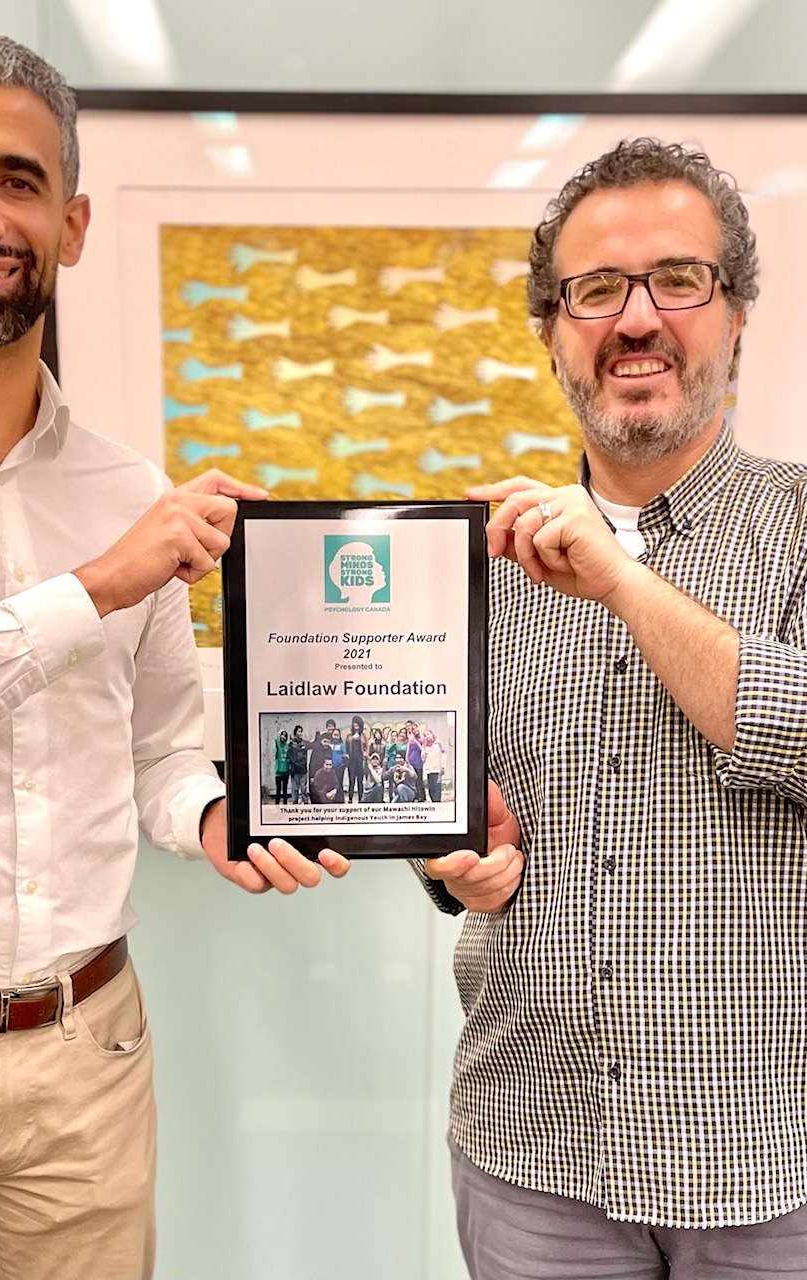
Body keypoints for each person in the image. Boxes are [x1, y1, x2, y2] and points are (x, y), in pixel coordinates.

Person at [0, 30, 348, 1280]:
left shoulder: (130, 486)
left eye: (19, 181)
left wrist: (220, 815)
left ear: (70, 227)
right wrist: (94, 585)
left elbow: (162, 748)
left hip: (90, 1049)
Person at [420, 137, 807, 1278]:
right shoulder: (479, 557)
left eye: (677, 279)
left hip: (765, 1167)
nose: (636, 318)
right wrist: (453, 855)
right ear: (553, 333)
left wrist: (625, 580)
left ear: (737, 312)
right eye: (596, 291)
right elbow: (443, 795)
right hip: (531, 1153)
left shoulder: (799, 525)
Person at [345, 713, 368, 803]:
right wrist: (346, 755)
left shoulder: (363, 734)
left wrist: (366, 754)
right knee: (351, 779)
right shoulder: (349, 734)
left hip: (360, 759)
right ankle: (350, 798)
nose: (356, 725)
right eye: (354, 723)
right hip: (351, 760)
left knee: (360, 780)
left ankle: (361, 798)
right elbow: (346, 746)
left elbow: (367, 745)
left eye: (357, 723)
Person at [272, 728, 290, 803]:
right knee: (278, 789)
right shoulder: (276, 745)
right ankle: (277, 805)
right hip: (278, 771)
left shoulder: (287, 745)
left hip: (286, 770)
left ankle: (285, 805)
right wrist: (276, 745)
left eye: (285, 735)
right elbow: (274, 754)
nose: (283, 737)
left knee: (285, 789)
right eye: (282, 735)